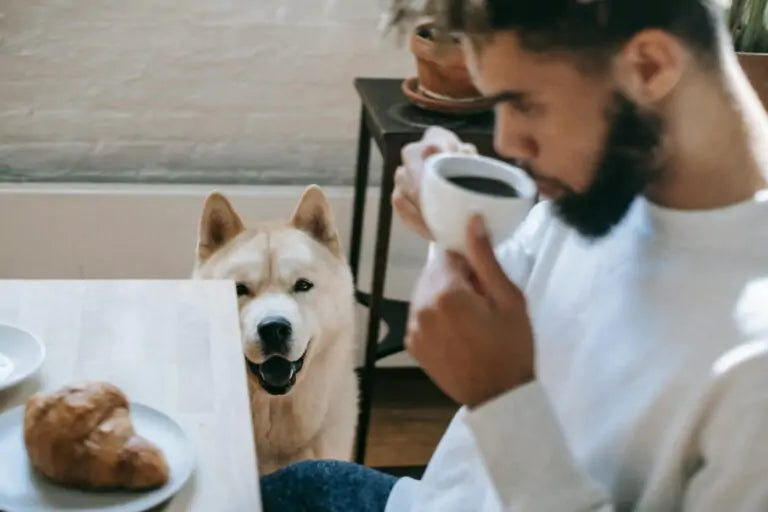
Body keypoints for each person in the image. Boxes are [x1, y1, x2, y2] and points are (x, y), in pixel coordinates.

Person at [261, 0, 768, 510]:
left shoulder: (754, 373)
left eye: (525, 104)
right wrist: (451, 218)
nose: (506, 142)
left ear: (649, 67)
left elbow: (500, 381)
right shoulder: (604, 189)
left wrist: (504, 400)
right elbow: (495, 301)